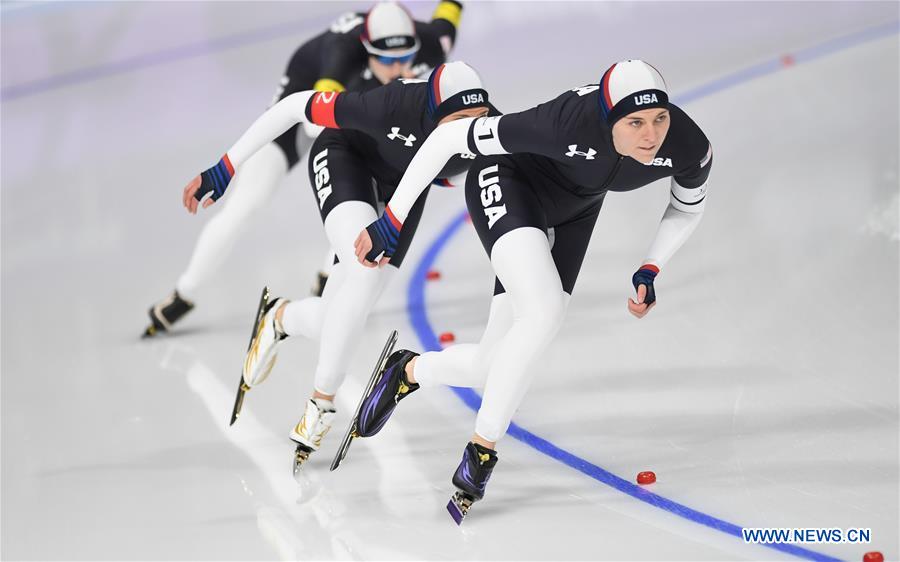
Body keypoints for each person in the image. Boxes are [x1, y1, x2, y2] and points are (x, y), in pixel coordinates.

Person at [351, 59, 714, 520]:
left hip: (577, 211)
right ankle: (481, 451)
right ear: (607, 119)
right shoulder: (562, 124)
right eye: (635, 123)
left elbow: (687, 207)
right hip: (507, 182)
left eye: (659, 118)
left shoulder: (688, 144)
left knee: (492, 365)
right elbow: (447, 138)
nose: (651, 135)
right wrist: (392, 219)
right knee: (544, 313)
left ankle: (407, 371)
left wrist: (650, 266)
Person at [181, 61, 496, 470]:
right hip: (345, 157)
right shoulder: (389, 105)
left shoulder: (488, 127)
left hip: (404, 191)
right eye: (459, 120)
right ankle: (322, 403)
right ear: (433, 113)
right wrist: (227, 165)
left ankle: (281, 317)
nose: (469, 128)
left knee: (341, 314)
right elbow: (293, 106)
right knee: (365, 270)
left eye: (478, 117)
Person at [143, 0, 464, 337]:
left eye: (406, 57)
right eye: (386, 59)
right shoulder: (342, 55)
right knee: (247, 203)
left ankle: (328, 274)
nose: (398, 66)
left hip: (358, 112)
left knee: (366, 190)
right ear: (367, 49)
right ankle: (184, 293)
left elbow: (449, 13)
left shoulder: (432, 43)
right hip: (304, 110)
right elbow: (314, 125)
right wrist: (228, 166)